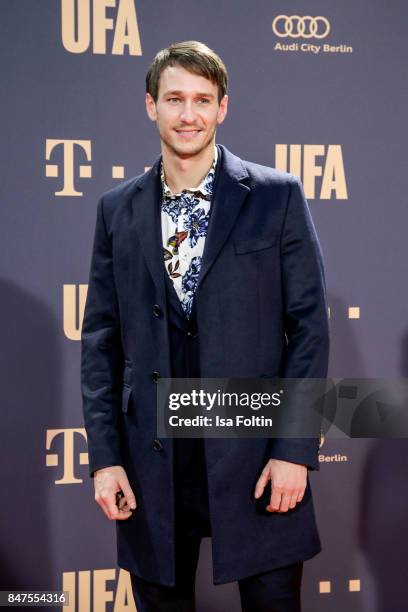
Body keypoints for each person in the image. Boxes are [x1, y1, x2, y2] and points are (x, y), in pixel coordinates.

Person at [81, 40, 329, 612]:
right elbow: (101, 341)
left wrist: (294, 449)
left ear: (222, 108)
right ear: (151, 106)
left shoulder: (277, 196)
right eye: (174, 99)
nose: (188, 114)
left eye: (202, 99)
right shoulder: (116, 209)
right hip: (153, 461)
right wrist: (105, 457)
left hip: (255, 453)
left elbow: (309, 328)